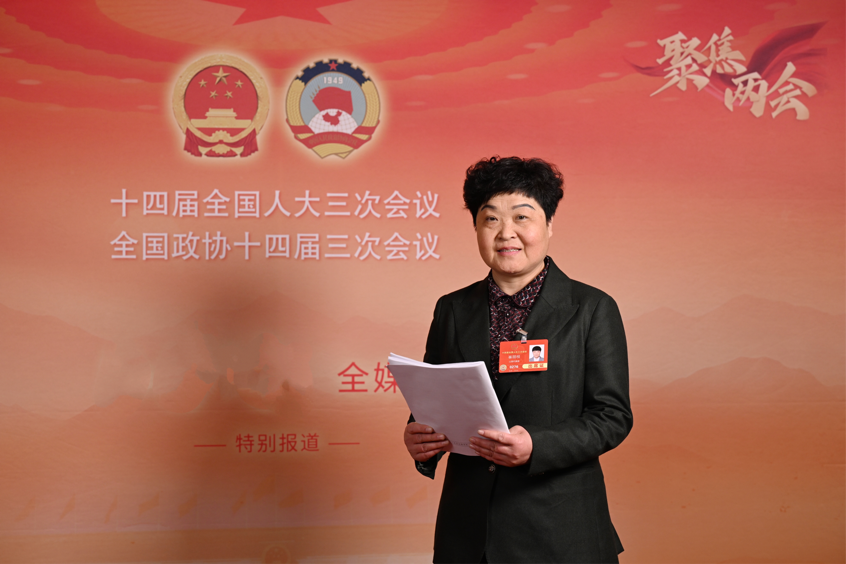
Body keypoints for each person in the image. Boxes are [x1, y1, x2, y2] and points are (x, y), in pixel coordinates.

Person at [403, 156, 632, 564]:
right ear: (476, 228)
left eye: (522, 217)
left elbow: (612, 416)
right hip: (468, 535)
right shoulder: (452, 309)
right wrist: (421, 439)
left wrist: (537, 446)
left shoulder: (591, 308)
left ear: (549, 225)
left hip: (559, 532)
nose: (506, 233)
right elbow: (434, 398)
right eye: (490, 219)